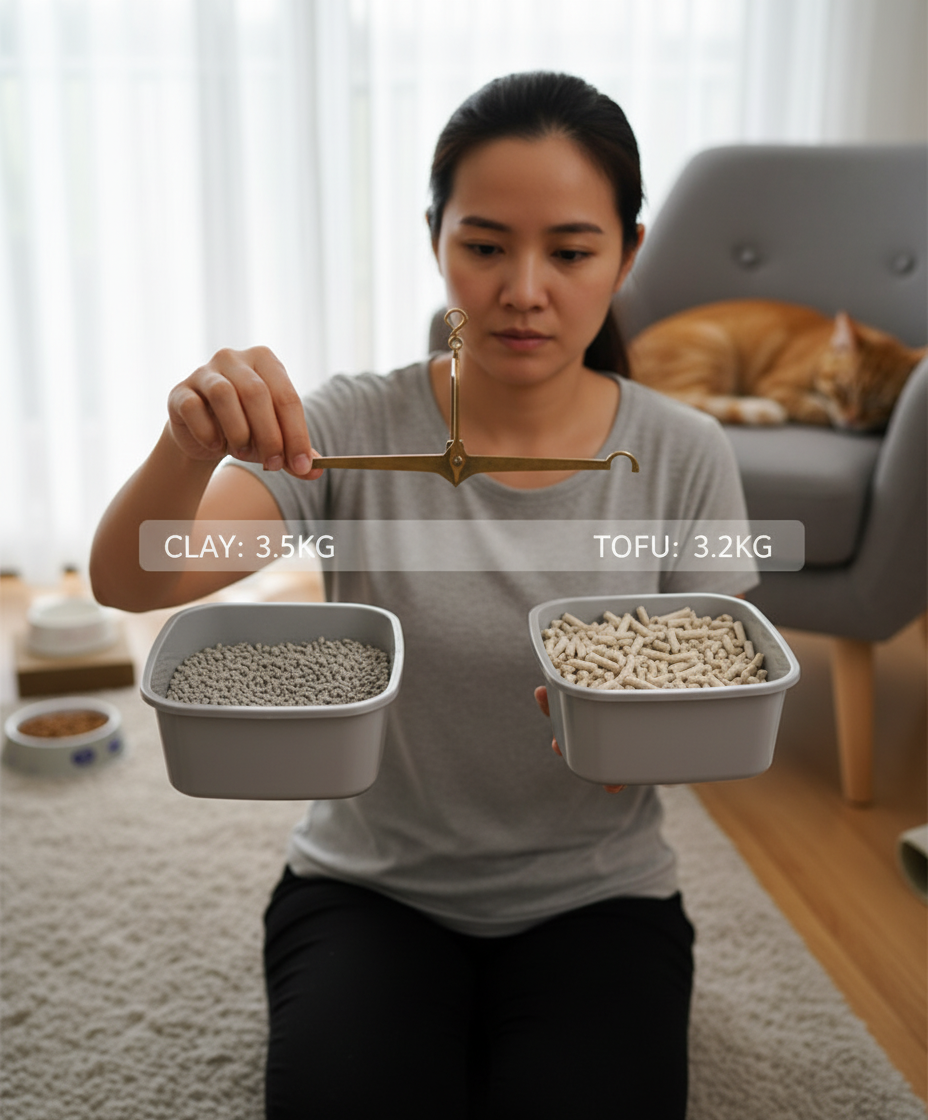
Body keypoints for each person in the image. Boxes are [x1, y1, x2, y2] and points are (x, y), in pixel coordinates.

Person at [91, 71, 757, 1119]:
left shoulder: (683, 454)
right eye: (484, 245)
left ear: (627, 252)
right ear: (435, 239)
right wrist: (184, 443)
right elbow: (136, 575)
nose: (523, 288)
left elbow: (729, 698)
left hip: (597, 895)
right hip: (367, 886)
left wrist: (637, 727)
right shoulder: (351, 426)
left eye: (571, 251)